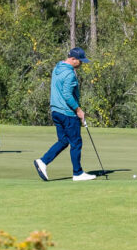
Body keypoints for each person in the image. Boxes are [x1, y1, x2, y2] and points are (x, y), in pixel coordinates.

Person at [33, 47, 96, 182]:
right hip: (67, 112)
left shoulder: (57, 68)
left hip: (56, 111)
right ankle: (78, 173)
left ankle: (42, 162)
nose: (81, 64)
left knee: (64, 141)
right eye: (80, 61)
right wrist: (78, 110)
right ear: (73, 59)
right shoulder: (70, 74)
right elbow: (67, 95)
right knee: (76, 142)